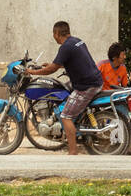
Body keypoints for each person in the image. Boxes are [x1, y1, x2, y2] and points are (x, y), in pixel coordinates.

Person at [26, 21, 104, 155]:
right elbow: (74, 61)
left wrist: (32, 72)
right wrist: (52, 65)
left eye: (53, 33)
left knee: (66, 116)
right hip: (94, 80)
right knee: (63, 91)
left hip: (86, 86)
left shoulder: (65, 47)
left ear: (57, 33)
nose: (53, 36)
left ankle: (73, 151)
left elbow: (52, 70)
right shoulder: (77, 41)